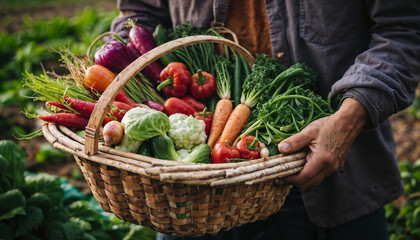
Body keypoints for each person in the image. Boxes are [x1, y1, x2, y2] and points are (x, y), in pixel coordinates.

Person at [110, 0, 420, 239]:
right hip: (188, 185)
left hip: (329, 177)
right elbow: (140, 14)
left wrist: (349, 117)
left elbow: (403, 29)